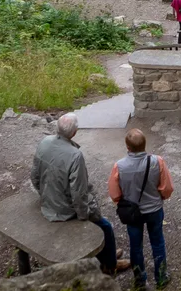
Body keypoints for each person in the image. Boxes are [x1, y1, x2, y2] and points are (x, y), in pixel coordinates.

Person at [31, 113, 124, 276]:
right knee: (106, 228)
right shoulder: (75, 155)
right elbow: (79, 193)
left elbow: (34, 176)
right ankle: (110, 265)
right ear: (74, 133)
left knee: (101, 225)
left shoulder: (44, 142)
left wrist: (44, 195)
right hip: (65, 211)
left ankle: (107, 255)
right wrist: (84, 217)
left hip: (48, 202)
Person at [108, 128, 173, 291]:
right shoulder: (157, 161)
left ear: (127, 147)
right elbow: (167, 187)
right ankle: (161, 276)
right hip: (154, 210)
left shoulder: (119, 166)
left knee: (135, 245)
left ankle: (140, 280)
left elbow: (114, 193)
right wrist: (161, 197)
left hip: (132, 213)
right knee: (157, 241)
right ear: (145, 145)